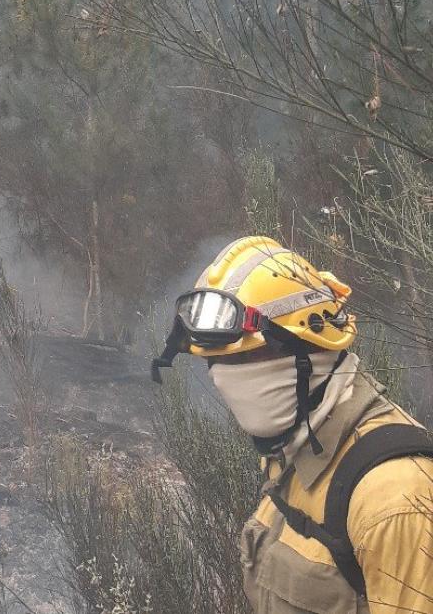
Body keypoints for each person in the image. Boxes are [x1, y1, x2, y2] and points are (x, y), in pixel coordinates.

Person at [151, 236, 433, 614]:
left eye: (246, 359)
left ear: (309, 347)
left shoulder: (395, 498)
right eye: (215, 363)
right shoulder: (294, 451)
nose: (225, 379)